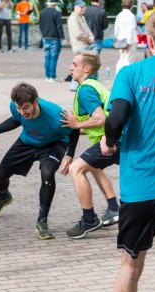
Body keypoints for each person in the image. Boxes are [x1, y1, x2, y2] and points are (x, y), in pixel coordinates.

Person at [100, 10, 155, 292]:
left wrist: (109, 142)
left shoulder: (132, 73)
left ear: (149, 38)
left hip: (141, 187)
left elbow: (115, 119)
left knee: (131, 265)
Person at [0, 82, 79, 240]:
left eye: (26, 108)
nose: (22, 112)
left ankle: (42, 221)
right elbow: (16, 120)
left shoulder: (56, 116)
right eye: (19, 107)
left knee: (47, 174)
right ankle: (4, 197)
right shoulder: (16, 107)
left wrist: (69, 154)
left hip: (53, 144)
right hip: (27, 142)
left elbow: (74, 131)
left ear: (36, 101)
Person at [60, 50, 120, 239]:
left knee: (76, 169)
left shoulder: (85, 89)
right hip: (116, 137)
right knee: (93, 166)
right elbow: (93, 123)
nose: (71, 68)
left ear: (86, 68)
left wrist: (77, 124)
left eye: (75, 64)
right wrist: (75, 128)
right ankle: (113, 208)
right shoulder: (93, 85)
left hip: (112, 139)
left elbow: (99, 118)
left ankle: (89, 219)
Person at [67, 0, 94, 91]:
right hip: (79, 45)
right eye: (81, 7)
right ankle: (74, 86)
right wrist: (88, 39)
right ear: (75, 7)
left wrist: (91, 37)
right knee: (79, 67)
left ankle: (78, 85)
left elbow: (87, 29)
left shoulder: (81, 17)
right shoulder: (73, 18)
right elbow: (78, 33)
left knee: (83, 66)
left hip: (84, 44)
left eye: (84, 7)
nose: (83, 9)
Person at [39, 0, 65, 83]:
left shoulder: (42, 12)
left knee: (47, 57)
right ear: (56, 4)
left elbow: (40, 25)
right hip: (55, 38)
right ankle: (52, 77)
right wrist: (62, 38)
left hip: (45, 38)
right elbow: (59, 26)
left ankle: (47, 76)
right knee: (53, 58)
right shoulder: (57, 13)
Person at [114, 0, 138, 74]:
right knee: (129, 60)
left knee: (122, 58)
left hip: (121, 40)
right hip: (130, 41)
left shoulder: (119, 15)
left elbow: (116, 30)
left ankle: (119, 73)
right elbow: (131, 29)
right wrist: (128, 42)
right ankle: (127, 76)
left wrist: (118, 39)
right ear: (131, 5)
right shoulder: (131, 16)